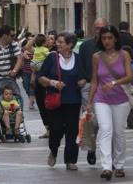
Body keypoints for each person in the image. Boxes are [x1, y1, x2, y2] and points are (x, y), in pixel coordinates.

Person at [86, 25, 133, 180]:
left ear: (115, 39)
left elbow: (130, 76)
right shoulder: (96, 57)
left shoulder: (124, 54)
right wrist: (89, 101)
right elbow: (94, 81)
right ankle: (106, 167)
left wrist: (113, 83)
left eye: (109, 38)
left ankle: (119, 164)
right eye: (103, 38)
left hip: (121, 100)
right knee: (106, 130)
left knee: (118, 133)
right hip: (102, 99)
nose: (106, 41)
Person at [38, 32, 85, 171]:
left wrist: (82, 81)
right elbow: (40, 77)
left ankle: (70, 160)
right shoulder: (51, 58)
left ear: (70, 45)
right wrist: (52, 82)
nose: (56, 44)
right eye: (57, 41)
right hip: (55, 101)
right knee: (56, 129)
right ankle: (53, 150)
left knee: (72, 131)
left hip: (73, 101)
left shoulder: (78, 58)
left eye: (60, 42)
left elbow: (84, 76)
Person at [79, 17, 108, 165]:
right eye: (97, 28)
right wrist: (83, 78)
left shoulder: (111, 45)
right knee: (92, 122)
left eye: (102, 27)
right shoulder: (86, 45)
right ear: (93, 28)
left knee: (106, 123)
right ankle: (91, 149)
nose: (100, 31)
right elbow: (81, 64)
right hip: (89, 86)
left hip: (107, 87)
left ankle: (108, 156)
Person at [24, 34, 50, 138]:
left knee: (50, 105)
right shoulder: (43, 50)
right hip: (39, 80)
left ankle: (54, 128)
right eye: (48, 39)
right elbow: (27, 47)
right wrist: (36, 37)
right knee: (41, 104)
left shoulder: (48, 51)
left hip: (49, 81)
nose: (49, 41)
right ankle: (48, 130)